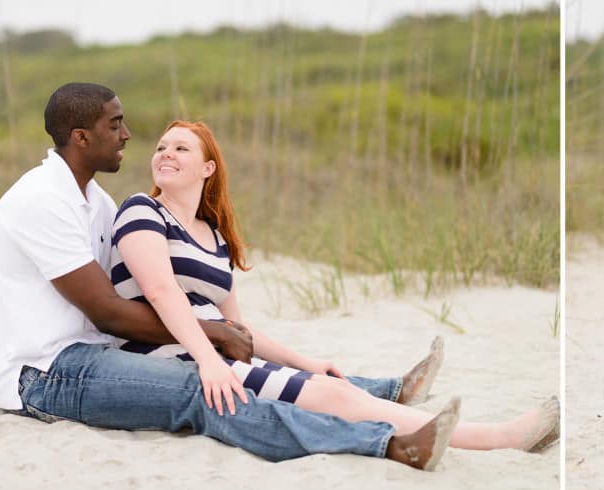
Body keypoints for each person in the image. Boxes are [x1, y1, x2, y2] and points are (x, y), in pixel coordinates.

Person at [0, 82, 454, 470]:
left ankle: (382, 393)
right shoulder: (40, 199)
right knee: (209, 392)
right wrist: (212, 335)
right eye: (114, 125)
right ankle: (388, 444)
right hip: (48, 374)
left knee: (244, 375)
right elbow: (108, 311)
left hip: (99, 356)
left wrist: (216, 334)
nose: (127, 134)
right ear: (81, 137)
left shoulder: (96, 203)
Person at [109, 119, 560, 451]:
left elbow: (238, 330)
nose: (166, 153)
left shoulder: (216, 237)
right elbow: (161, 293)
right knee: (330, 396)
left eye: (181, 149)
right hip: (165, 356)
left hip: (211, 354)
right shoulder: (141, 211)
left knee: (333, 387)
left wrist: (307, 361)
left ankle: (432, 423)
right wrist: (209, 362)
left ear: (208, 168)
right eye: (163, 146)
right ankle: (497, 438)